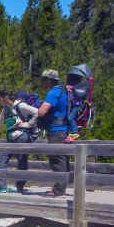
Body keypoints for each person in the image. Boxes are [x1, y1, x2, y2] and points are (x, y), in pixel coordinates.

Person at [0, 89, 39, 193]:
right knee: (4, 158)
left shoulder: (21, 106)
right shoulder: (5, 109)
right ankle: (5, 186)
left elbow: (37, 112)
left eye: (0, 98)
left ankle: (16, 186)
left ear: (5, 98)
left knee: (21, 161)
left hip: (22, 137)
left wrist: (28, 124)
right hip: (12, 138)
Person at [31, 68, 77, 197]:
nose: (42, 82)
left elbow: (42, 111)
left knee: (57, 160)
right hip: (64, 129)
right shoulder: (64, 91)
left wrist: (34, 112)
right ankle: (61, 187)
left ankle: (58, 190)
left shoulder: (53, 92)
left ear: (49, 81)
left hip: (56, 130)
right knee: (63, 159)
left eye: (43, 80)